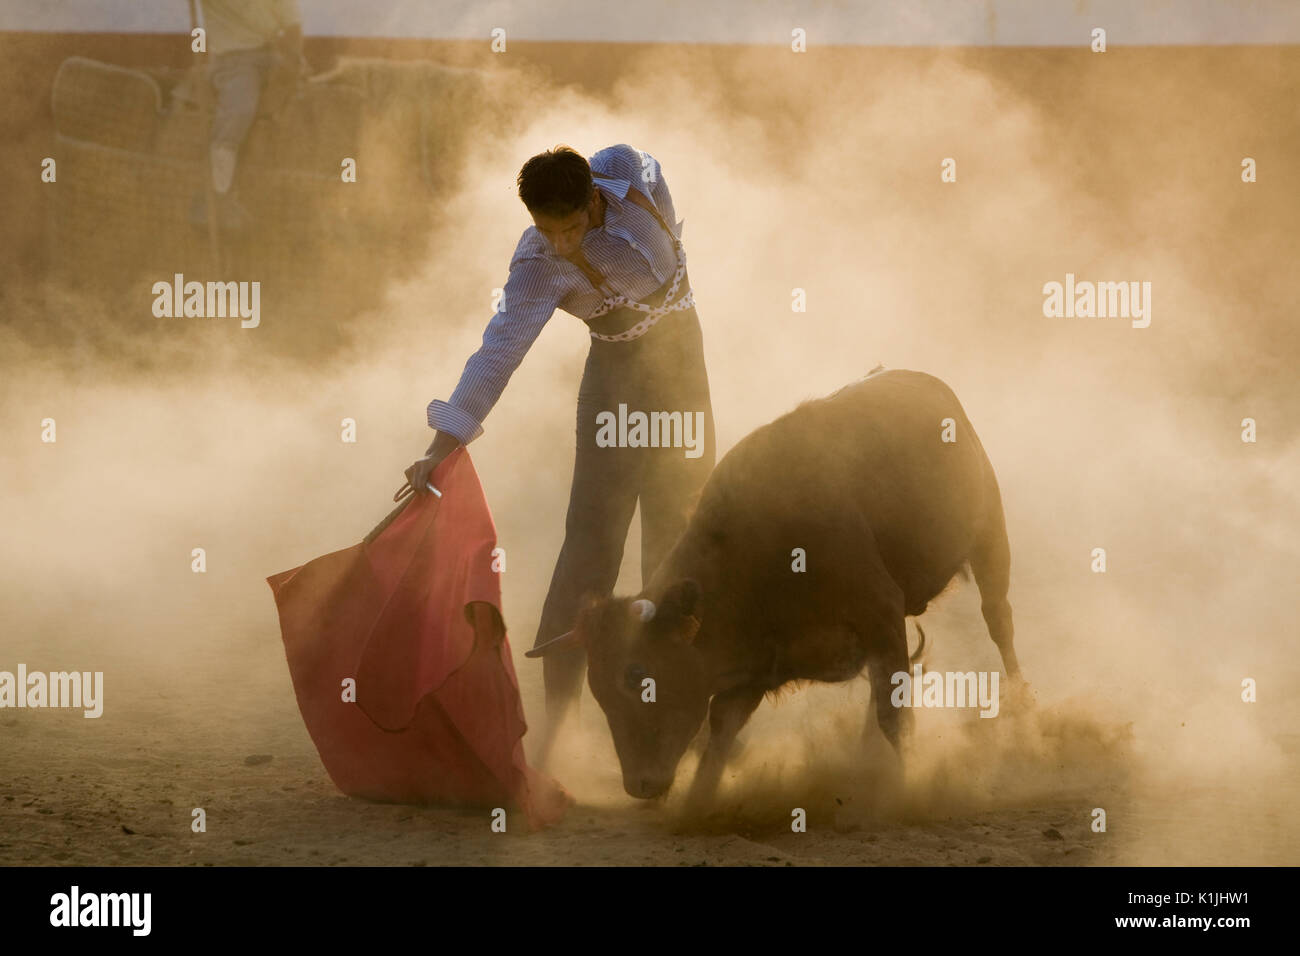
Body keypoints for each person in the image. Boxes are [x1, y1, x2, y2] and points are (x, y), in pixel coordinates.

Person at [398, 144, 717, 764]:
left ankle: (682, 716)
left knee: (677, 541)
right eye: (549, 230)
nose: (563, 243)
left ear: (595, 199)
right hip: (616, 380)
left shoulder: (629, 169)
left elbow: (663, 207)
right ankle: (556, 733)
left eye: (572, 227)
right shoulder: (537, 262)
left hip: (683, 369)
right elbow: (498, 352)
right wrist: (443, 443)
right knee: (591, 544)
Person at [191, 0, 303, 230]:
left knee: (305, 102)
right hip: (234, 61)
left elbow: (292, 26)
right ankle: (216, 198)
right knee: (239, 111)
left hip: (272, 55)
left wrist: (292, 63)